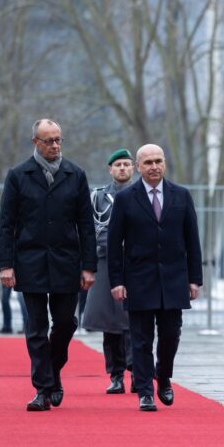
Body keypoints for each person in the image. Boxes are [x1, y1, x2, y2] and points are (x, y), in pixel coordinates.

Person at [0, 118, 97, 412]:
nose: (55, 145)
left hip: (67, 262)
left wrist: (88, 266)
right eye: (49, 140)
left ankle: (52, 371)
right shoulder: (18, 176)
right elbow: (6, 224)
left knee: (65, 323)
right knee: (36, 328)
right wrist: (5, 265)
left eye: (58, 140)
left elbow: (86, 225)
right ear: (35, 142)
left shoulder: (75, 175)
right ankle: (42, 389)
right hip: (31, 262)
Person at [108, 144, 203, 411]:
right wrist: (116, 281)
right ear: (138, 166)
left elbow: (192, 240)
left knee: (171, 335)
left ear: (164, 164)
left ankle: (163, 376)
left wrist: (195, 278)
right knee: (140, 339)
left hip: (174, 280)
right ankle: (145, 392)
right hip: (138, 279)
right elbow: (114, 243)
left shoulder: (181, 195)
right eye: (148, 162)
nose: (154, 166)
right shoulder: (126, 199)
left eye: (158, 161)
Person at [82, 149, 136, 394]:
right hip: (105, 261)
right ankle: (115, 375)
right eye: (118, 165)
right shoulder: (98, 197)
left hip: (135, 262)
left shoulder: (141, 194)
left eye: (126, 164)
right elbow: (93, 229)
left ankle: (137, 371)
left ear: (133, 168)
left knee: (135, 319)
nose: (122, 168)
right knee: (109, 321)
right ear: (110, 169)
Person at [0, 234, 29, 334]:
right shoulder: (6, 231)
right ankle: (7, 326)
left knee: (22, 298)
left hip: (21, 266)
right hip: (8, 267)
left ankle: (26, 325)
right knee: (4, 298)